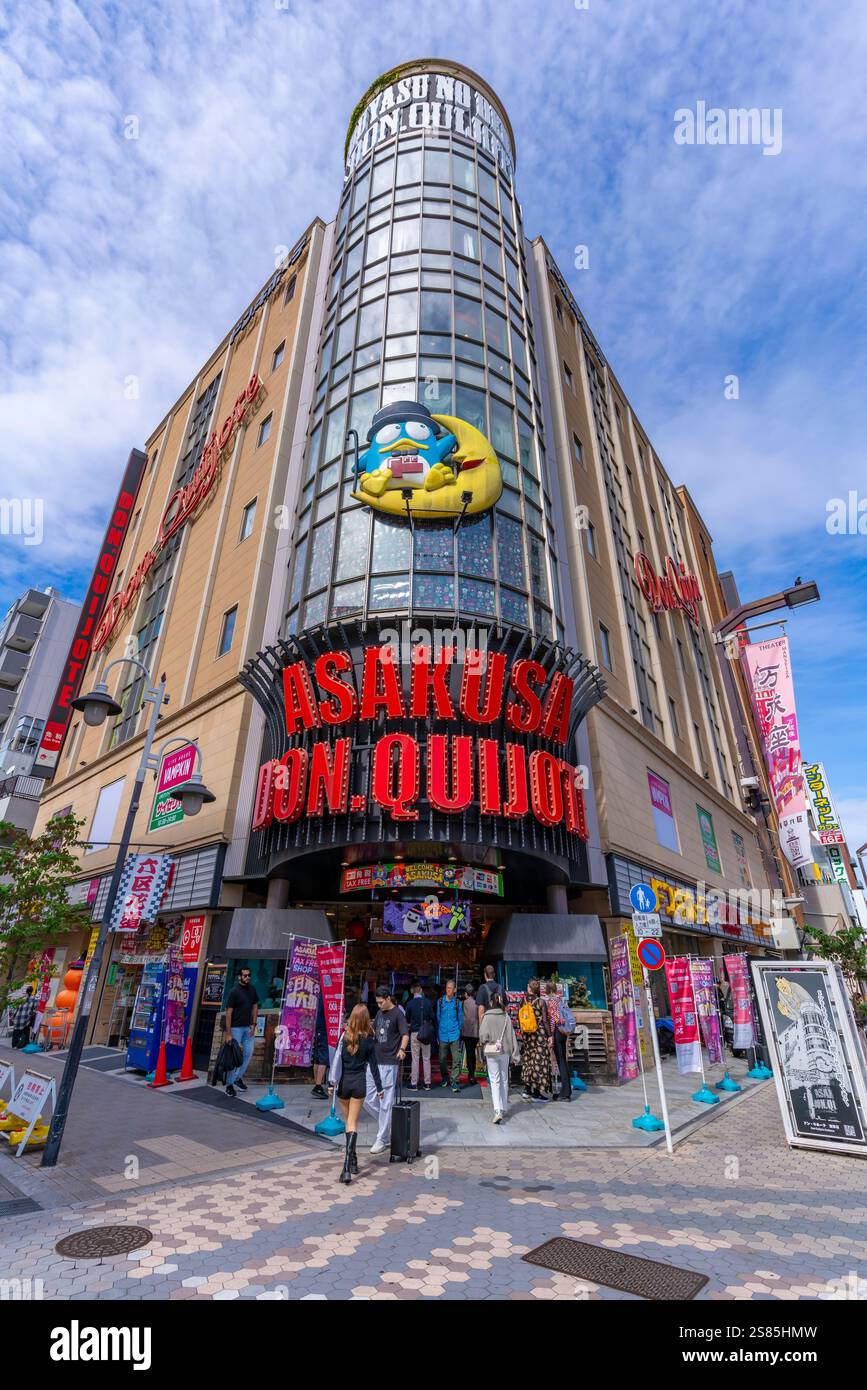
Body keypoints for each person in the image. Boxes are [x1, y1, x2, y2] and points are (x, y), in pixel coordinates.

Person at [330, 1005, 384, 1184]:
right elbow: (374, 1066)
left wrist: (330, 1083)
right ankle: (348, 1165)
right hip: (359, 1084)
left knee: (348, 1123)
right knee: (353, 1123)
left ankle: (351, 1162)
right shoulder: (369, 1040)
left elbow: (336, 1062)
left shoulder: (344, 1037)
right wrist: (380, 1088)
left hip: (344, 1085)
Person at [364, 985, 409, 1154]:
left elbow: (405, 1033)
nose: (379, 1005)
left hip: (390, 1062)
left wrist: (402, 1049)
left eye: (381, 1002)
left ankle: (382, 1138)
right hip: (374, 1061)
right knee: (368, 1099)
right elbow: (375, 1031)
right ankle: (388, 1123)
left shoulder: (398, 1014)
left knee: (386, 1102)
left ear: (388, 998)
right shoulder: (378, 1013)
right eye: (377, 1003)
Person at [478, 989, 518, 1123]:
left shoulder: (487, 1016)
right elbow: (512, 1036)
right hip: (505, 1051)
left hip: (492, 1051)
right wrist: (516, 1054)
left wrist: (486, 1041)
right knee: (504, 1078)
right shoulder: (506, 1016)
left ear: (490, 1002)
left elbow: (483, 1036)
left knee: (494, 1080)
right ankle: (504, 1107)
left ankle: (497, 1110)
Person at [224, 967, 259, 1097]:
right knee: (234, 1056)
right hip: (236, 1028)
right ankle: (229, 1084)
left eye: (249, 975)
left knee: (248, 1053)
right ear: (239, 977)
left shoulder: (252, 989)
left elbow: (255, 1006)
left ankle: (237, 1078)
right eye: (245, 975)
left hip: (248, 1027)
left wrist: (254, 1024)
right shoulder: (234, 991)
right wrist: (228, 1033)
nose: (247, 977)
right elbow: (229, 1012)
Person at [519, 978, 551, 1101]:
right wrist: (550, 1035)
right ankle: (537, 1092)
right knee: (538, 1062)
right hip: (538, 1035)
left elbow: (520, 1016)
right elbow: (545, 1020)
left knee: (528, 1060)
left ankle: (527, 1089)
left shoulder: (523, 1000)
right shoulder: (541, 1002)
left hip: (527, 1035)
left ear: (529, 989)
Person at [544, 981, 572, 1102]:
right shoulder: (561, 1000)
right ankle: (566, 1090)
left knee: (560, 1060)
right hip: (563, 1032)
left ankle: (565, 1093)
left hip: (556, 1031)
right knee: (562, 1060)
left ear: (548, 990)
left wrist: (550, 1036)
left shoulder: (550, 1002)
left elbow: (552, 1020)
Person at [406, 981, 434, 1090]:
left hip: (414, 1033)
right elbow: (432, 1016)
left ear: (412, 991)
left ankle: (414, 1083)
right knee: (426, 1058)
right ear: (421, 990)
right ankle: (427, 1083)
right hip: (426, 1033)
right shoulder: (427, 1002)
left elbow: (407, 1018)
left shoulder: (410, 1003)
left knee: (415, 1058)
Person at [436, 978, 462, 1093]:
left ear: (454, 990)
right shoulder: (440, 1001)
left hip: (454, 1034)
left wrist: (458, 1031)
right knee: (442, 1058)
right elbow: (438, 1017)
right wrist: (440, 1030)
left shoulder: (458, 1003)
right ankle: (445, 1076)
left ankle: (455, 1081)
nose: (448, 990)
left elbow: (460, 1019)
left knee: (456, 1059)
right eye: (447, 988)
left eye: (450, 988)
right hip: (442, 1034)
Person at [311, 991, 329, 1099]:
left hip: (318, 1028)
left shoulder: (319, 994)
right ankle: (318, 1086)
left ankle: (317, 1084)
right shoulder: (325, 996)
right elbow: (324, 1011)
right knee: (323, 1058)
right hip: (323, 1029)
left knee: (318, 1058)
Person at [462, 983, 480, 1085]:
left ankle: (471, 1074)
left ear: (466, 994)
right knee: (473, 1053)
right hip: (475, 1032)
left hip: (466, 1032)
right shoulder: (477, 1003)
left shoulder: (463, 1003)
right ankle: (473, 1074)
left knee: (469, 1053)